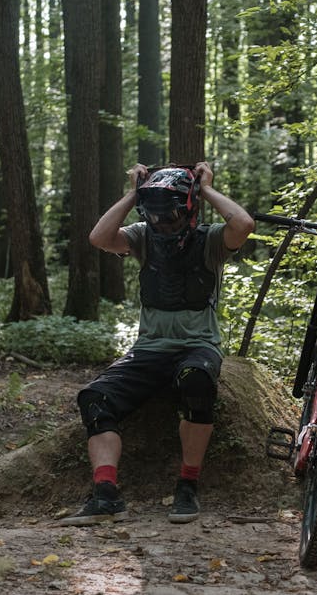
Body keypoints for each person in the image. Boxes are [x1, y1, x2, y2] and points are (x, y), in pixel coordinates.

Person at [61, 161, 254, 526]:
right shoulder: (141, 237)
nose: (164, 224)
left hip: (198, 346)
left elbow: (243, 225)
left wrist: (206, 188)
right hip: (149, 350)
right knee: (95, 398)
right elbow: (99, 238)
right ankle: (106, 495)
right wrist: (134, 192)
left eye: (172, 217)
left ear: (189, 210)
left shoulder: (211, 240)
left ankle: (187, 486)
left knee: (196, 381)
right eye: (157, 216)